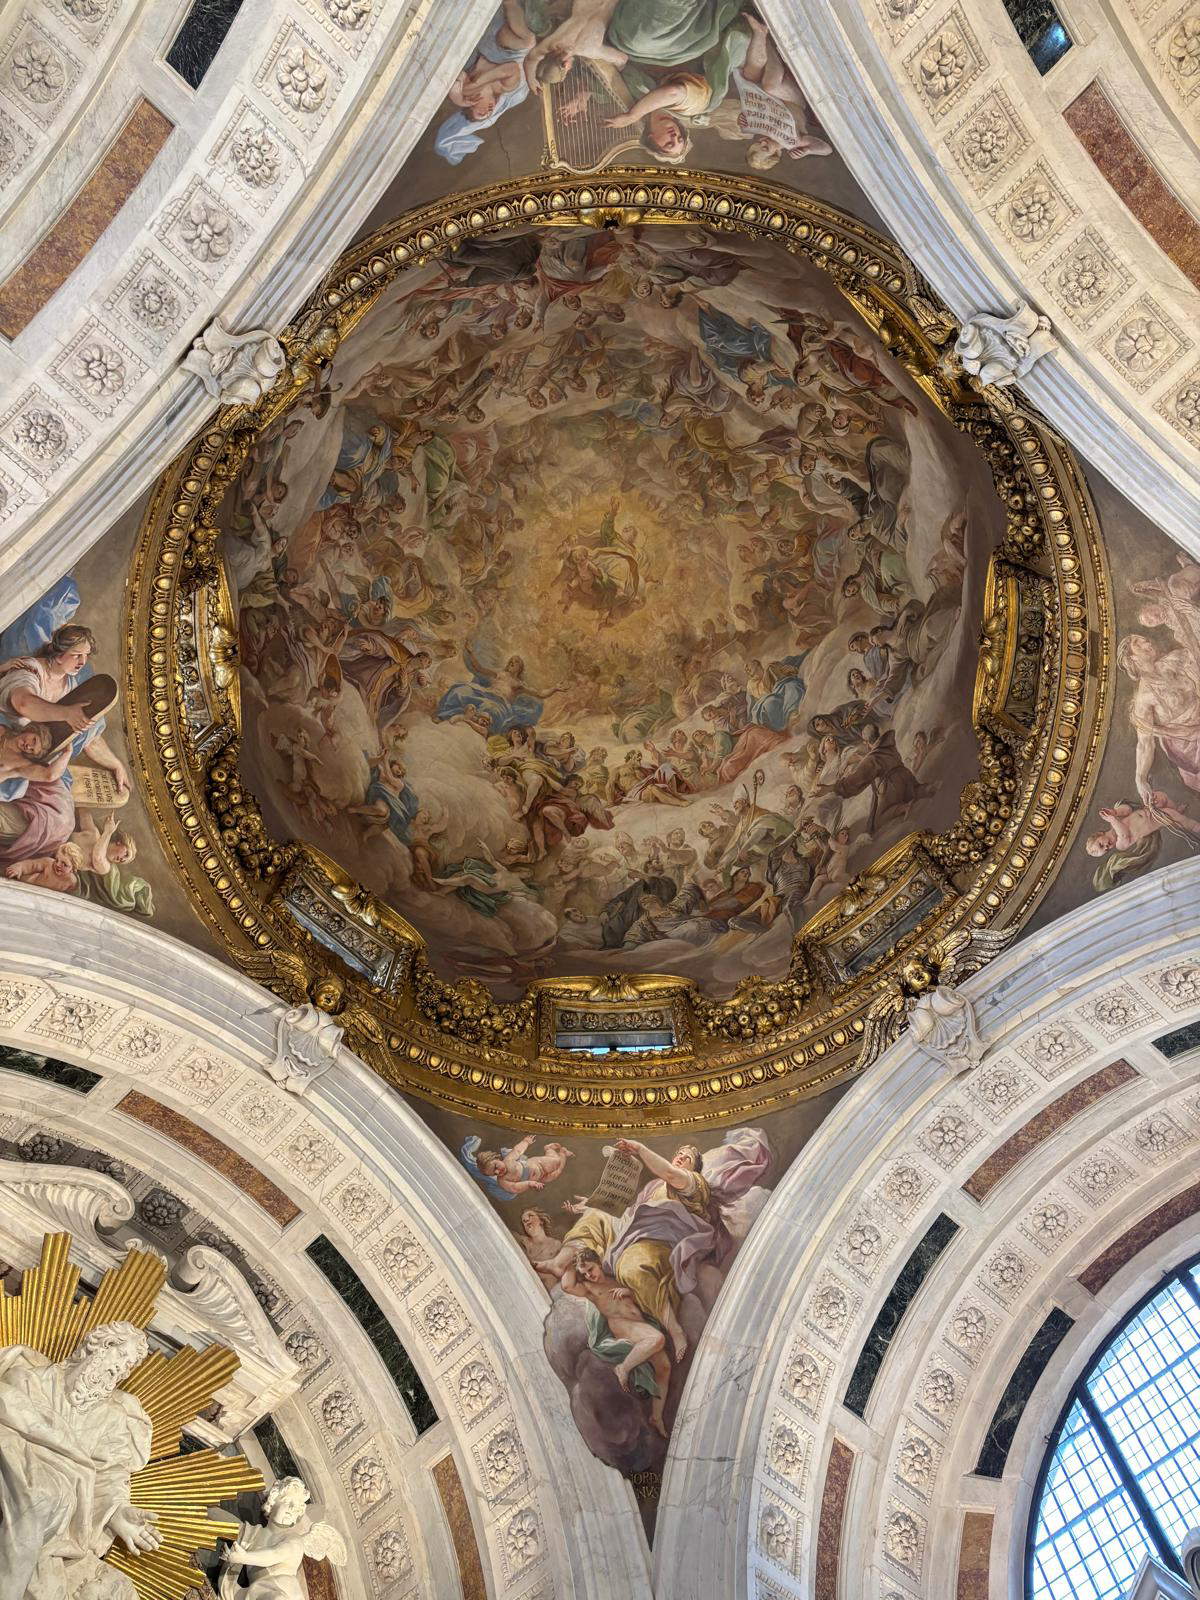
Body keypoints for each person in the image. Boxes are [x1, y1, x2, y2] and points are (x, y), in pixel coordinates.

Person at [0, 1321, 162, 1600]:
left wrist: (117, 1513)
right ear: (99, 1346)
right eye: (122, 1356)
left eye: (129, 1366)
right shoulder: (30, 1376)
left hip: (54, 1498)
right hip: (9, 1464)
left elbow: (110, 1473)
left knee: (42, 1499)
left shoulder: (113, 1418)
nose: (121, 1369)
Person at [561, 1249, 672, 1437]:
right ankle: (623, 1368)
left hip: (640, 1324)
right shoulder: (589, 1288)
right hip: (622, 1325)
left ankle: (656, 1416)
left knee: (664, 1368)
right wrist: (573, 1263)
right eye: (585, 1273)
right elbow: (567, 1286)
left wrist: (628, 1291)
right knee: (657, 1339)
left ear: (598, 1263)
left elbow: (641, 1296)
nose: (589, 1275)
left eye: (591, 1269)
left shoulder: (616, 1277)